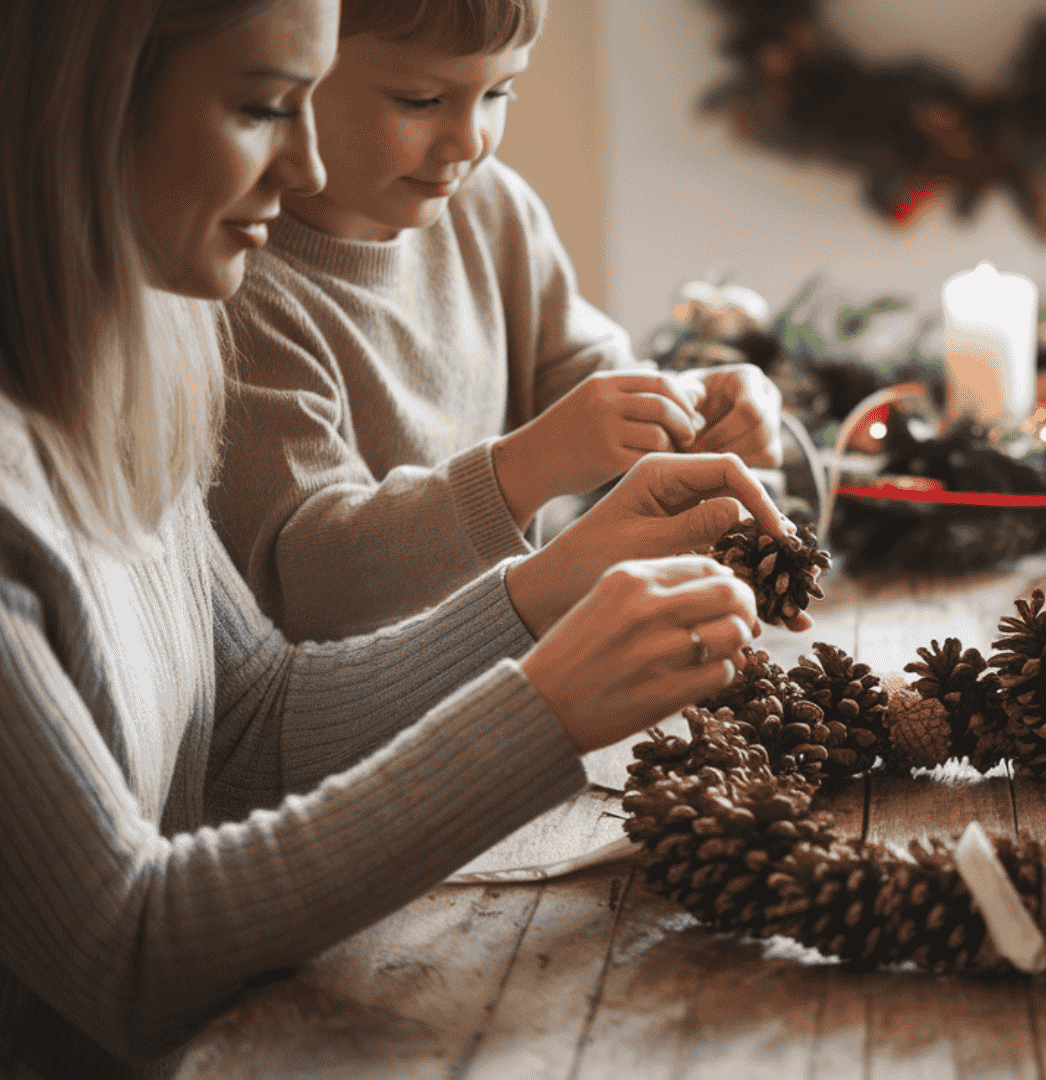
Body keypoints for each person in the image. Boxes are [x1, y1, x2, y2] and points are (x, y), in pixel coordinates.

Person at [0, 1, 777, 1074]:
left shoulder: (137, 349)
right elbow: (129, 953)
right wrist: (544, 711)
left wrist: (547, 591)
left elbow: (253, 728)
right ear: (84, 107)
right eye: (268, 106)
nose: (304, 162)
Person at [209, 0, 785, 642]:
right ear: (293, 81)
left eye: (498, 92)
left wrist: (688, 409)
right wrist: (527, 467)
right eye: (420, 100)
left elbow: (579, 369)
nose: (471, 141)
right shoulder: (238, 290)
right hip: (377, 710)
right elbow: (308, 582)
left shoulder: (489, 204)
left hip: (523, 660)